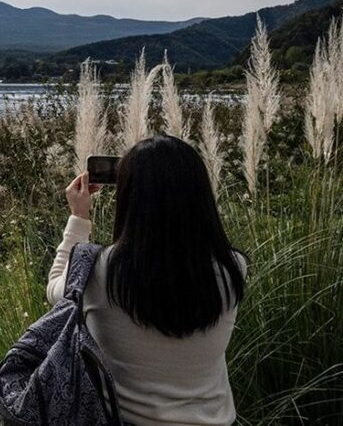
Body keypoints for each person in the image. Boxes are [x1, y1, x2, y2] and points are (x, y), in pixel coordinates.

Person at [47, 135, 248, 425]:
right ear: (200, 195)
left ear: (130, 196)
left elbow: (56, 291)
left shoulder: (100, 270)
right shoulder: (233, 268)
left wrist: (79, 218)